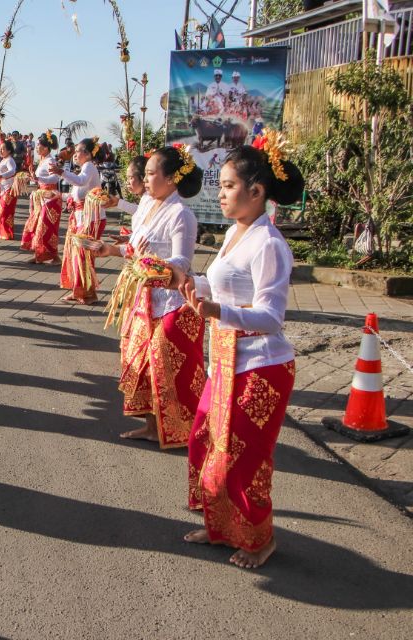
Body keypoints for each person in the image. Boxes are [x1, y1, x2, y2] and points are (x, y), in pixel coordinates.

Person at [177, 137, 303, 570]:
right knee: (203, 442)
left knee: (243, 457)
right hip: (227, 358)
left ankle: (259, 539)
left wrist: (217, 310)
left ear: (257, 192)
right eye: (221, 185)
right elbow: (223, 283)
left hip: (263, 364)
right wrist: (196, 285)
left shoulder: (269, 243)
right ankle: (220, 526)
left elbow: (271, 315)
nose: (221, 193)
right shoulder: (235, 232)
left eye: (229, 186)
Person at [88, 145, 205, 448]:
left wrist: (151, 267)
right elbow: (136, 248)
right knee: (140, 363)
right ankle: (152, 426)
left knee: (165, 368)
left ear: (172, 178)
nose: (146, 179)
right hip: (143, 298)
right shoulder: (148, 204)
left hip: (171, 304)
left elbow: (182, 262)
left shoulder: (182, 214)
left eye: (152, 174)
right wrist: (110, 249)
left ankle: (179, 429)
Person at [52, 138, 104, 303]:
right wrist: (60, 196)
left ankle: (86, 292)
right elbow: (77, 194)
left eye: (78, 151)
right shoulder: (83, 170)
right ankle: (80, 291)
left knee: (83, 256)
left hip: (91, 218)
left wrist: (61, 173)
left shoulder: (88, 167)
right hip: (82, 218)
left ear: (88, 154)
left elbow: (80, 181)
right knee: (78, 256)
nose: (75, 154)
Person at [20, 131, 62, 264]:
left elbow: (55, 177)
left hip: (50, 197)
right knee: (38, 225)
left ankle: (53, 256)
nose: (36, 148)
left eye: (38, 145)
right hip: (42, 197)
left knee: (46, 228)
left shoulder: (50, 160)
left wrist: (39, 178)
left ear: (45, 147)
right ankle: (40, 255)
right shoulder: (43, 160)